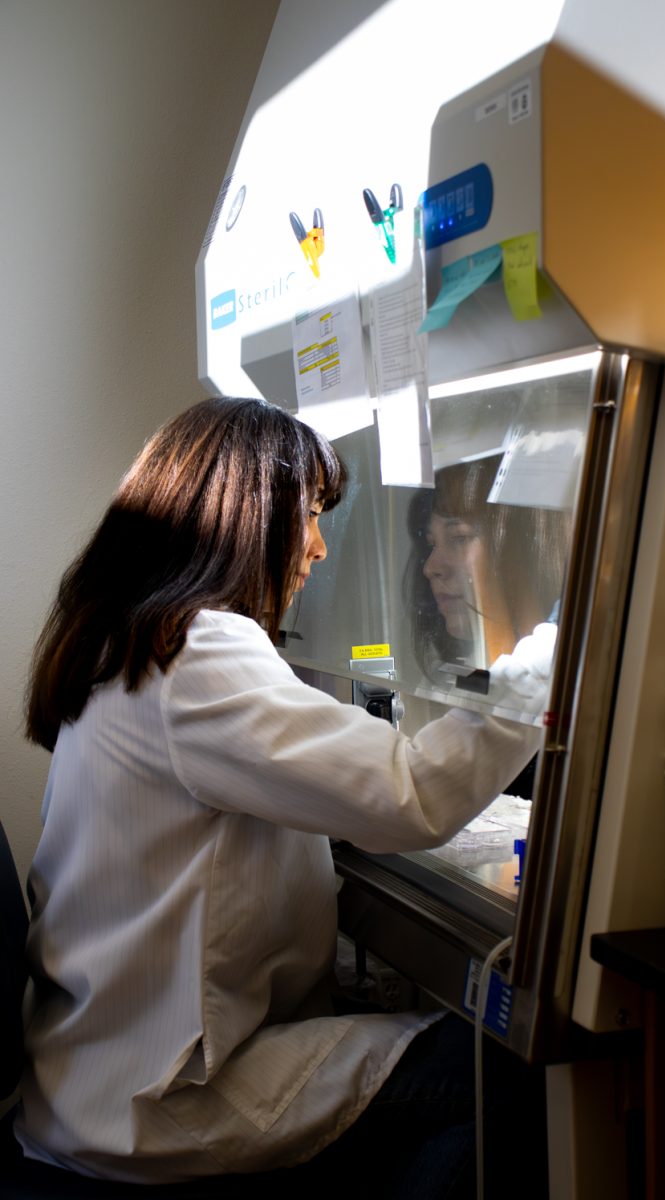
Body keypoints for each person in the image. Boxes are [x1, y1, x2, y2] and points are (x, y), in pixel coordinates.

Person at [14, 396, 546, 1193]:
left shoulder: (129, 641)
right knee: (511, 1072)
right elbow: (408, 795)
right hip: (162, 1100)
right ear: (248, 516)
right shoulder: (196, 651)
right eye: (309, 516)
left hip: (91, 1073)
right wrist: (556, 659)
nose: (321, 547)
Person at [404, 455, 569, 678]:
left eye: (459, 538)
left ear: (522, 544)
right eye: (432, 544)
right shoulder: (477, 675)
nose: (430, 568)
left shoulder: (556, 667)